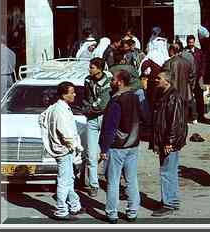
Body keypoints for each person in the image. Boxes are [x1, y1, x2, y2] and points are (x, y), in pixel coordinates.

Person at [99, 70, 144, 224]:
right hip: (133, 144)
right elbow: (141, 119)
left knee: (113, 180)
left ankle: (112, 213)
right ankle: (133, 211)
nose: (111, 81)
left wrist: (104, 148)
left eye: (113, 79)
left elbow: (109, 127)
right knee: (132, 179)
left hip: (117, 146)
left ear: (119, 82)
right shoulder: (135, 97)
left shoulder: (116, 101)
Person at [38, 81, 85, 220]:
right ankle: (61, 210)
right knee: (64, 181)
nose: (74, 94)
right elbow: (65, 132)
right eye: (72, 92)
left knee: (69, 179)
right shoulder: (60, 110)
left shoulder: (55, 108)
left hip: (63, 149)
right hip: (64, 150)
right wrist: (74, 146)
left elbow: (42, 119)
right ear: (64, 95)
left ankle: (74, 205)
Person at [151, 71, 188, 217]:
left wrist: (169, 142)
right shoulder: (164, 95)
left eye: (159, 78)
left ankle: (170, 203)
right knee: (167, 170)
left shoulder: (173, 97)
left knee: (167, 172)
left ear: (167, 81)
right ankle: (169, 199)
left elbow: (175, 122)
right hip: (164, 140)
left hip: (169, 141)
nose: (156, 80)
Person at [82, 57, 112, 197]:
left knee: (108, 152)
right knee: (91, 154)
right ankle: (94, 184)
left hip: (105, 119)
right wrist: (90, 108)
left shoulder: (107, 82)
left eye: (92, 67)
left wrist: (90, 108)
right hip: (92, 119)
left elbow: (103, 104)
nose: (90, 69)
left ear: (100, 69)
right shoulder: (88, 80)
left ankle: (112, 180)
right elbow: (86, 100)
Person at [162, 44, 195, 123]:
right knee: (183, 112)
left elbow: (165, 78)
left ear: (171, 51)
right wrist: (190, 87)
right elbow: (192, 76)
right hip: (185, 91)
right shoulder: (187, 62)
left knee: (173, 114)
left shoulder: (168, 63)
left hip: (173, 91)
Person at [140, 35, 169, 114]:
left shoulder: (151, 55)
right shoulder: (166, 56)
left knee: (152, 102)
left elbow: (143, 67)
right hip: (163, 83)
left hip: (152, 83)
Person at [183, 34, 206, 122]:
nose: (191, 44)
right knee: (188, 97)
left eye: (192, 42)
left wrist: (201, 73)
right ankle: (189, 115)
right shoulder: (184, 52)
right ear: (187, 42)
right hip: (188, 78)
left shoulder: (199, 52)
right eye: (189, 42)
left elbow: (203, 63)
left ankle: (201, 116)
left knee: (199, 97)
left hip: (198, 77)